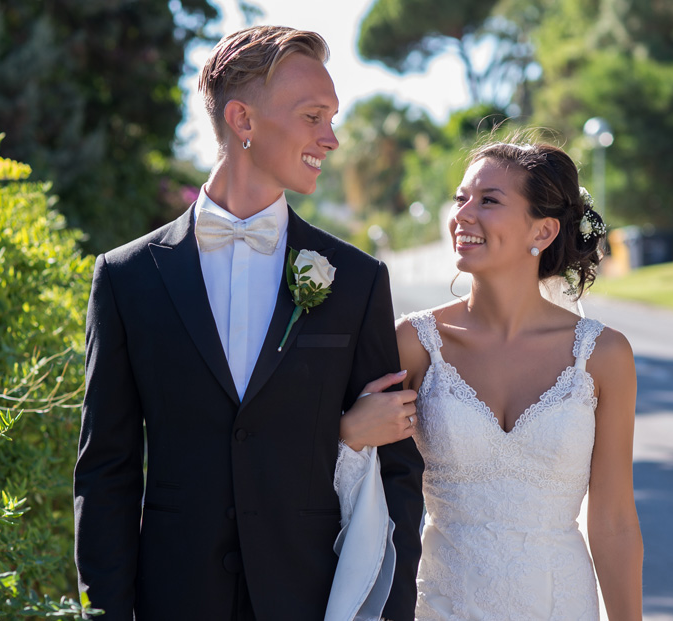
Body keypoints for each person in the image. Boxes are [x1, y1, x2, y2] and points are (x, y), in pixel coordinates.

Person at [73, 25, 424, 621]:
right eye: (314, 116)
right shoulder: (127, 277)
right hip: (174, 599)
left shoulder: (357, 281)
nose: (331, 138)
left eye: (332, 117)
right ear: (243, 121)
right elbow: (106, 470)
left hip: (313, 598)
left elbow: (395, 465)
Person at [339, 139, 644, 619]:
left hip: (560, 603)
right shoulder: (415, 344)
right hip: (443, 602)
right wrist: (348, 433)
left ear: (542, 231)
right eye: (461, 198)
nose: (463, 215)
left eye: (489, 201)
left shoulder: (603, 355)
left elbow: (615, 521)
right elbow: (363, 484)